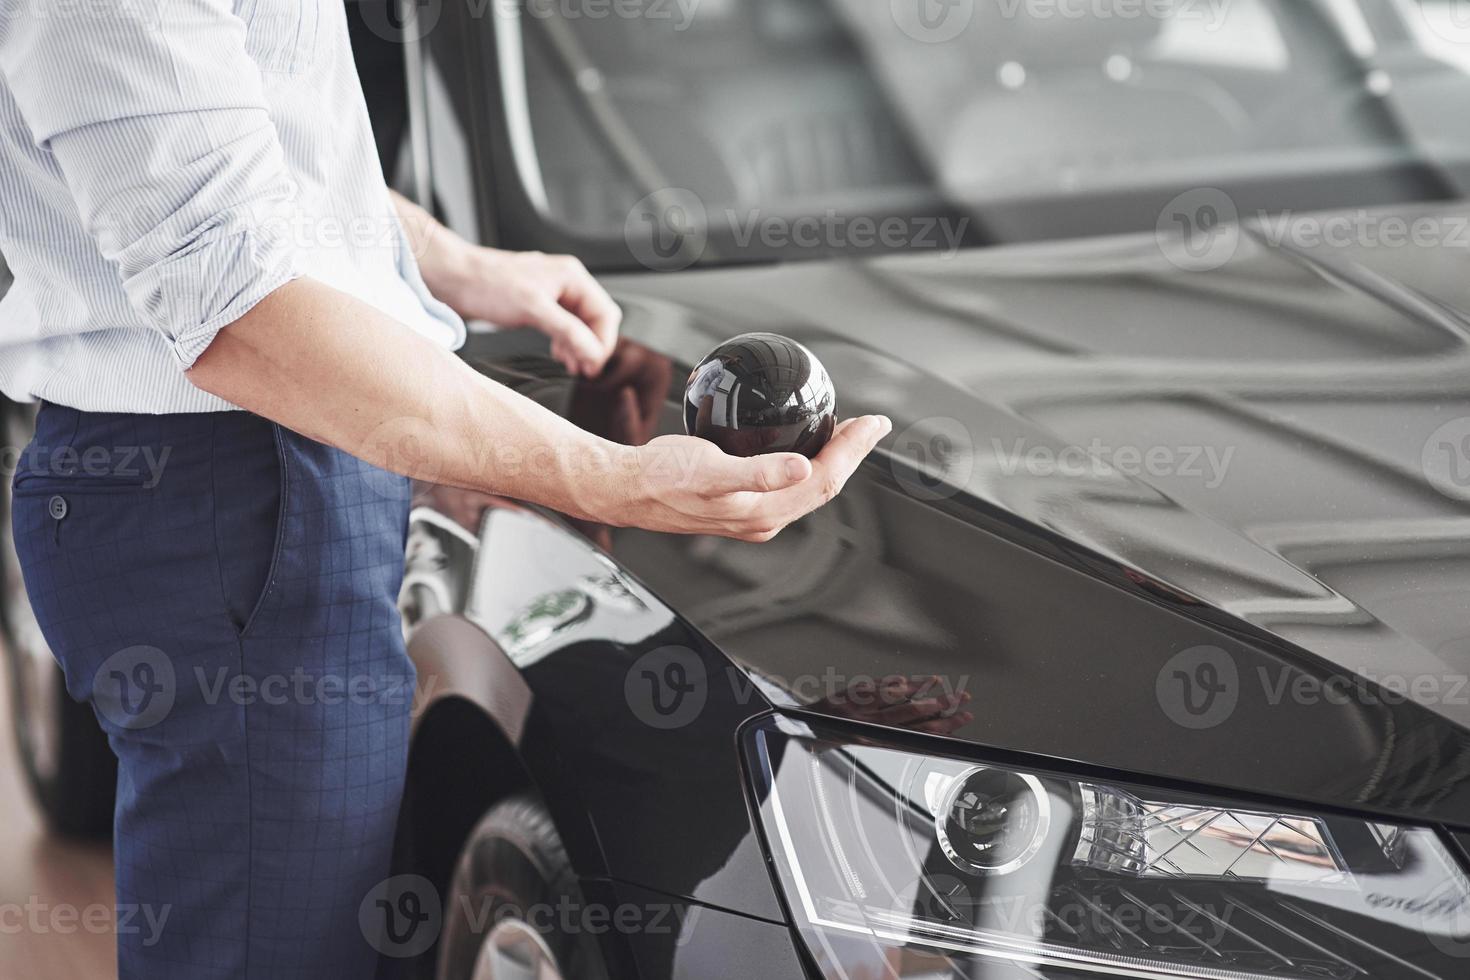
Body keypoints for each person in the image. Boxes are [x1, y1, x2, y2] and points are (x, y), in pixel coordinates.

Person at [0, 2, 889, 978]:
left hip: (258, 480)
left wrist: (456, 267)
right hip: (242, 488)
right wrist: (616, 478)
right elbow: (240, 311)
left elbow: (262, 148)